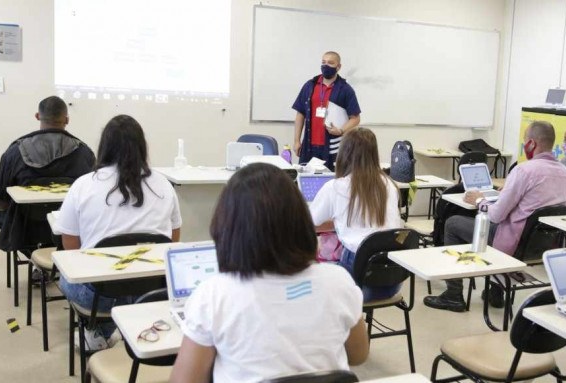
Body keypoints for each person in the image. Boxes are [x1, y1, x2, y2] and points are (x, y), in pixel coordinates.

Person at [170, 164, 369, 383]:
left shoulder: (215, 295)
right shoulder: (338, 281)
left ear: (229, 229)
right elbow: (359, 355)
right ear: (300, 222)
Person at [54, 115, 182, 349]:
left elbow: (70, 245)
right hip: (154, 291)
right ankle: (121, 328)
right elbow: (173, 239)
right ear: (142, 146)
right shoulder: (164, 184)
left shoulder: (84, 184)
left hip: (98, 298)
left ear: (104, 147)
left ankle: (97, 330)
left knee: (65, 274)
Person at [424, 121, 566, 312]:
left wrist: (478, 201)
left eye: (525, 140)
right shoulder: (565, 174)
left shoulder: (524, 170)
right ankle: (496, 291)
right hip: (542, 245)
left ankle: (454, 294)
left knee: (453, 223)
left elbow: (495, 215)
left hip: (515, 242)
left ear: (532, 144)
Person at [309, 128, 403, 302]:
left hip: (357, 285)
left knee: (314, 265)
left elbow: (308, 223)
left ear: (344, 153)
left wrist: (334, 222)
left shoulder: (336, 187)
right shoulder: (389, 185)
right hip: (392, 282)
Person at [0, 96, 95, 249]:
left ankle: (35, 259)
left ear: (37, 116)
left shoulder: (15, 151)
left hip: (24, 229)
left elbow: (1, 194)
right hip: (69, 230)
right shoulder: (85, 153)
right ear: (67, 119)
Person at [292, 51, 361, 171]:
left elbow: (355, 118)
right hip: (309, 146)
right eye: (323, 62)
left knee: (332, 180)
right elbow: (300, 114)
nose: (326, 65)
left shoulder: (345, 89)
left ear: (338, 67)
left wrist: (341, 130)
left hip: (332, 147)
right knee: (306, 181)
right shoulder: (310, 86)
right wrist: (297, 141)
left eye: (330, 63)